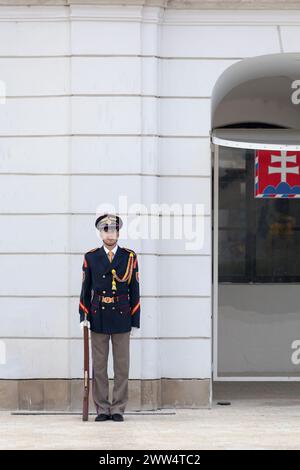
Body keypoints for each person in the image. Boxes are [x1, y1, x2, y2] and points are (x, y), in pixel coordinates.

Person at [79, 213, 140, 422]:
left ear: (119, 232)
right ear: (100, 233)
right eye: (106, 230)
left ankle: (118, 408)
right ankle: (103, 408)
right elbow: (85, 290)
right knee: (99, 366)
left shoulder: (129, 256)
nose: (110, 234)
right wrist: (83, 315)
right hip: (98, 316)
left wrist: (135, 319)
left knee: (122, 366)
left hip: (122, 315)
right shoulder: (91, 257)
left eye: (113, 230)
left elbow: (135, 289)